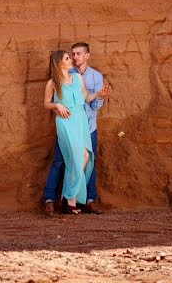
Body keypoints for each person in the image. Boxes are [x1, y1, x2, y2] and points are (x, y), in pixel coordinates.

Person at [42, 43, 110, 215]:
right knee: (73, 159)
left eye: (72, 56)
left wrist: (99, 94)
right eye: (67, 57)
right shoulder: (52, 83)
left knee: (86, 157)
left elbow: (87, 97)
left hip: (81, 121)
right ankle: (68, 200)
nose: (71, 59)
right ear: (59, 63)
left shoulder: (78, 78)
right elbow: (46, 103)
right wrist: (57, 104)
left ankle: (70, 199)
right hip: (66, 123)